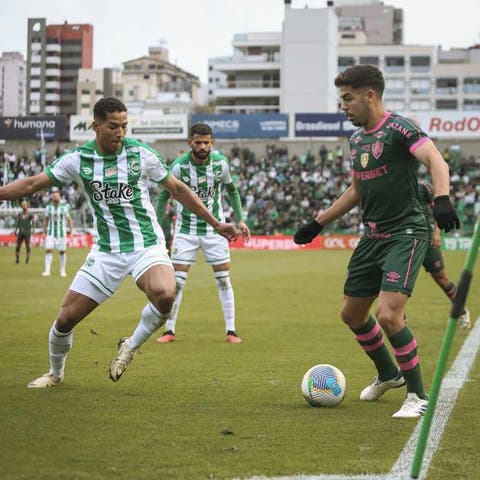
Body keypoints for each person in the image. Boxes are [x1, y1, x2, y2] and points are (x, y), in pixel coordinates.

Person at [0, 97, 237, 389]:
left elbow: (176, 189)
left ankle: (130, 346)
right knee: (65, 320)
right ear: (96, 126)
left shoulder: (140, 154)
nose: (120, 132)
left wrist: (216, 223)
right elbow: (31, 184)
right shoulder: (78, 159)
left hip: (146, 245)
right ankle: (55, 373)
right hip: (106, 251)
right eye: (113, 126)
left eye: (124, 126)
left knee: (166, 293)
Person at [294, 65, 460, 418]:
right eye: (341, 99)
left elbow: (436, 160)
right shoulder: (356, 140)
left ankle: (417, 396)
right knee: (352, 314)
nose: (343, 106)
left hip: (406, 232)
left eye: (348, 98)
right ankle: (389, 374)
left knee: (389, 315)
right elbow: (357, 188)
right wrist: (318, 222)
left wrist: (442, 199)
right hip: (372, 236)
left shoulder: (400, 129)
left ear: (370, 95)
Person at [155, 123, 250, 344]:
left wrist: (240, 218)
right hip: (186, 230)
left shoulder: (221, 164)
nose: (202, 146)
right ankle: (169, 329)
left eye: (206, 142)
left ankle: (231, 330)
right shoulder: (178, 167)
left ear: (212, 143)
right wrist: (158, 227)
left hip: (215, 230)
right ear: (190, 143)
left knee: (223, 280)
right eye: (198, 142)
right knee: (177, 282)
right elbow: (162, 197)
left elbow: (231, 190)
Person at [418, 179, 470, 328]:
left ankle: (461, 310)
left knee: (441, 278)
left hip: (426, 238)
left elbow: (436, 209)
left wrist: (436, 232)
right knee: (398, 282)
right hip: (403, 240)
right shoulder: (392, 183)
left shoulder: (423, 186)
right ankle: (398, 319)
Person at [41, 187, 73, 277]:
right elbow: (45, 220)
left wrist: (71, 232)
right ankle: (47, 271)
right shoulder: (48, 207)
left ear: (60, 197)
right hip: (50, 233)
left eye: (57, 196)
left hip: (61, 233)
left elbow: (69, 220)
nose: (56, 197)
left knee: (62, 252)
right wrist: (44, 231)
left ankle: (62, 271)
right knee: (48, 250)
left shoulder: (64, 208)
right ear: (52, 197)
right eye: (54, 196)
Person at [14, 199, 36, 264]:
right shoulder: (19, 214)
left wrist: (34, 230)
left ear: (27, 205)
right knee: (18, 246)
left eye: (25, 204)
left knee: (28, 246)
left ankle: (27, 260)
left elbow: (34, 222)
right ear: (21, 206)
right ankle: (17, 260)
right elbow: (18, 223)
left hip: (27, 232)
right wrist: (16, 230)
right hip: (20, 232)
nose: (24, 205)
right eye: (23, 204)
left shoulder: (30, 214)